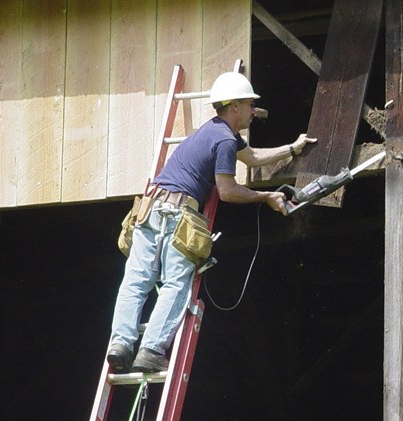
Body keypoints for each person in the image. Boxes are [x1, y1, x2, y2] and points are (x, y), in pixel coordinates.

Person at [106, 71, 316, 373]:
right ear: (234, 107)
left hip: (149, 210)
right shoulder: (225, 142)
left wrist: (292, 148)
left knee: (135, 282)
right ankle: (151, 349)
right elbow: (227, 191)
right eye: (249, 105)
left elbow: (254, 156)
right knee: (175, 284)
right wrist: (266, 197)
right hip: (178, 215)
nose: (254, 111)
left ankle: (121, 344)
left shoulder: (214, 131)